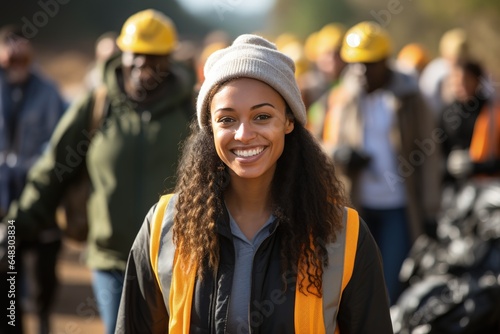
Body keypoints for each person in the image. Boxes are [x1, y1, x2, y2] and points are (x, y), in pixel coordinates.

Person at [115, 34, 393, 333]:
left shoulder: (343, 235)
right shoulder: (164, 226)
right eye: (227, 119)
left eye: (262, 116)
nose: (244, 134)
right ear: (210, 126)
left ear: (289, 122)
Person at [3, 9, 196, 334]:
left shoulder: (191, 111)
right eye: (136, 56)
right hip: (112, 261)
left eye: (154, 58)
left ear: (170, 60)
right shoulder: (97, 105)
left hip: (175, 262)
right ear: (123, 55)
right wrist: (15, 225)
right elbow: (53, 170)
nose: (143, 66)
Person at [321, 21, 442, 304]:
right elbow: (317, 144)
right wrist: (340, 153)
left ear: (386, 62)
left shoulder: (411, 98)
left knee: (389, 284)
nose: (361, 71)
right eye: (356, 64)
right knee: (357, 284)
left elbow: (429, 155)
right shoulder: (343, 98)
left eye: (369, 64)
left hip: (398, 207)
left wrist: (431, 209)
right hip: (357, 208)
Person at [0, 25, 67, 334]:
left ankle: (42, 323)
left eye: (20, 49)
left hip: (41, 203)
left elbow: (63, 141)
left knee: (44, 275)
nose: (15, 56)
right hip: (4, 209)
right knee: (8, 273)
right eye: (8, 49)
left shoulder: (49, 91)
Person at [439, 59, 500, 185]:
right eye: (456, 82)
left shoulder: (493, 112)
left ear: (477, 81)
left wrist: (475, 166)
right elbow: (438, 153)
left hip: (489, 183)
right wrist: (448, 166)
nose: (461, 86)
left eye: (466, 80)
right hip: (455, 186)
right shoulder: (447, 114)